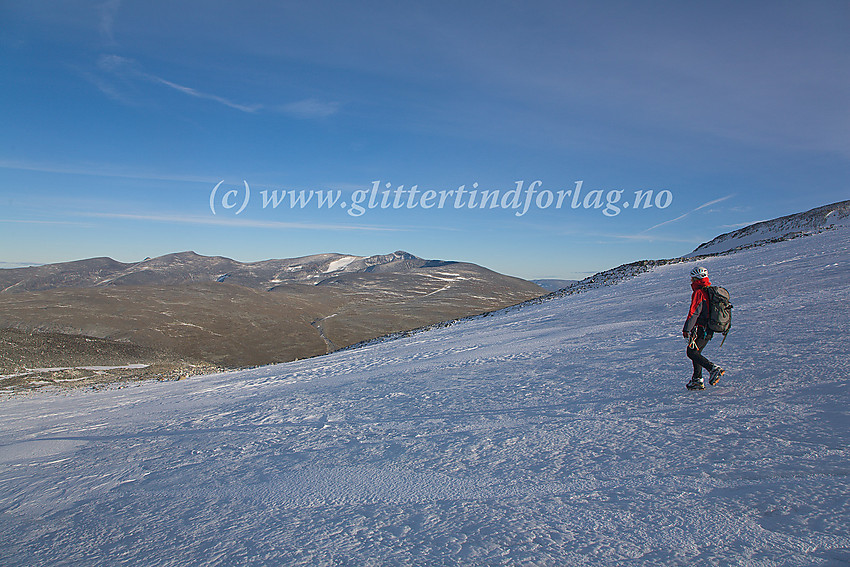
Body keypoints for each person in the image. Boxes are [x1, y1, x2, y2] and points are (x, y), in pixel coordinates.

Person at [683, 266, 725, 390]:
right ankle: (697, 380)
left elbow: (694, 312)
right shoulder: (709, 290)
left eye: (692, 278)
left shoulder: (699, 292)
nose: (691, 281)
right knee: (696, 351)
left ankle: (713, 369)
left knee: (691, 352)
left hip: (702, 328)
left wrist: (686, 329)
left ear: (697, 278)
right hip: (709, 327)